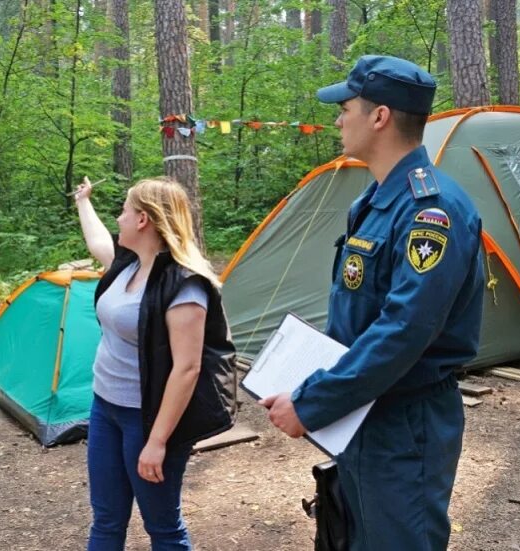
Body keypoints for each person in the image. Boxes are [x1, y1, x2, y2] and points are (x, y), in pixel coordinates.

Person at [260, 55, 485, 550]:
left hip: (406, 424)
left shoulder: (433, 211)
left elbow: (404, 329)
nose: (338, 119)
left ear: (379, 116)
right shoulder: (375, 200)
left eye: (346, 108)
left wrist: (313, 400)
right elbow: (361, 315)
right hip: (363, 411)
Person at [75, 175, 237, 551]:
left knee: (162, 528)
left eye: (125, 211)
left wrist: (158, 441)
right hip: (106, 409)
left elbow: (187, 368)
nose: (119, 218)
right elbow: (98, 240)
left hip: (147, 421)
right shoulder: (129, 264)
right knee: (106, 520)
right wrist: (84, 201)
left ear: (143, 219)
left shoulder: (185, 286)